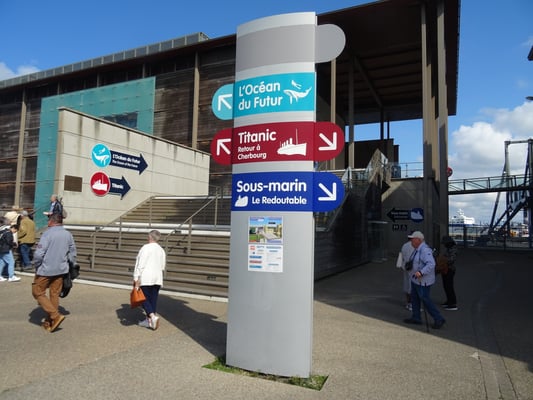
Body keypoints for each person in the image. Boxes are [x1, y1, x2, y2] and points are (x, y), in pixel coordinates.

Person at [32, 213, 77, 332]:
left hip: (46, 269)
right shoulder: (68, 234)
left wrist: (37, 265)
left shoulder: (47, 234)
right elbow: (72, 252)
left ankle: (55, 315)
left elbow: (39, 254)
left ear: (51, 221)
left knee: (37, 292)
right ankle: (50, 321)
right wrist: (71, 264)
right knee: (54, 294)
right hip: (61, 269)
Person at [403, 231, 446, 329]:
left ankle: (438, 318)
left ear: (418, 240)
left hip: (422, 280)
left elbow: (431, 264)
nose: (411, 242)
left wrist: (421, 272)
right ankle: (416, 317)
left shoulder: (424, 250)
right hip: (415, 279)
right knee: (415, 298)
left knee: (425, 299)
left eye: (412, 240)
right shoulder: (417, 249)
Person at [133, 230, 166, 330]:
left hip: (146, 277)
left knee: (143, 298)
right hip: (157, 277)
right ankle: (150, 321)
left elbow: (141, 264)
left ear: (150, 237)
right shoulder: (161, 250)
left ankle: (152, 316)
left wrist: (136, 277)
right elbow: (162, 266)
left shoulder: (146, 248)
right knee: (153, 300)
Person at [439, 235, 458, 310]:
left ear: (449, 243)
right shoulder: (449, 249)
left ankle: (453, 303)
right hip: (445, 269)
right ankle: (449, 301)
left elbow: (451, 259)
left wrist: (442, 260)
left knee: (449, 286)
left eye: (445, 243)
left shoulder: (453, 249)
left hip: (450, 269)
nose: (444, 245)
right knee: (446, 286)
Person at [399, 237, 415, 310]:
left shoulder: (404, 245)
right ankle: (412, 304)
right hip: (413, 268)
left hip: (405, 267)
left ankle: (408, 303)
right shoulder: (415, 245)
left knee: (406, 285)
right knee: (412, 286)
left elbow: (401, 256)